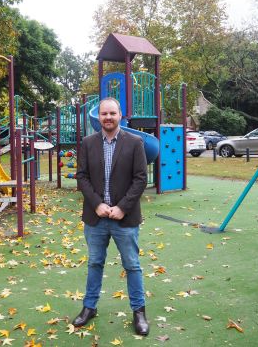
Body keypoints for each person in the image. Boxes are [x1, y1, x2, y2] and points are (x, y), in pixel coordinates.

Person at [72, 97, 149, 336]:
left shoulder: (135, 143)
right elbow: (82, 176)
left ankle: (139, 312)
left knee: (132, 265)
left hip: (124, 218)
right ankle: (89, 307)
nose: (108, 117)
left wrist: (123, 207)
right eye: (104, 114)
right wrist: (96, 204)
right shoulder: (87, 143)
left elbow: (140, 179)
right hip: (96, 218)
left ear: (120, 116)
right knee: (95, 263)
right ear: (99, 117)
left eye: (112, 114)